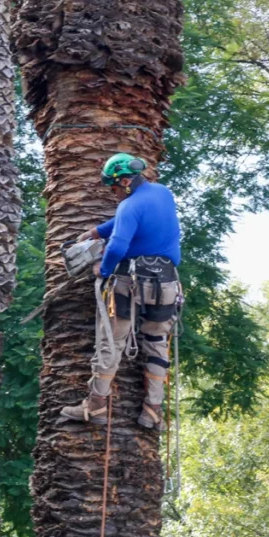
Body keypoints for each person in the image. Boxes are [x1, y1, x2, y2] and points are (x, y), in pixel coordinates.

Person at [59, 152, 182, 429]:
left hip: (130, 282)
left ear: (125, 182)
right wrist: (95, 232)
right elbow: (135, 218)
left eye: (113, 187)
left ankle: (96, 406)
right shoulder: (162, 193)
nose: (113, 193)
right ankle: (152, 411)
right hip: (166, 282)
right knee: (157, 341)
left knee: (112, 341)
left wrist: (103, 270)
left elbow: (117, 246)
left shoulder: (128, 205)